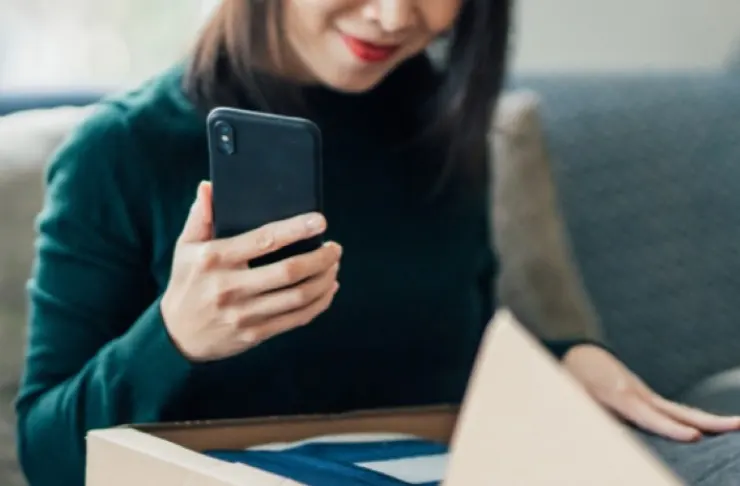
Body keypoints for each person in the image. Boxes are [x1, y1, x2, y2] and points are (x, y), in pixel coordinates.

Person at [13, 1, 740, 485]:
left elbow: (450, 350)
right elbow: (45, 455)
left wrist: (563, 359)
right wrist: (175, 338)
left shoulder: (441, 126)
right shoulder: (121, 152)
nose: (394, 15)